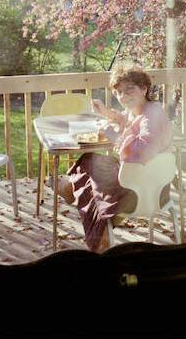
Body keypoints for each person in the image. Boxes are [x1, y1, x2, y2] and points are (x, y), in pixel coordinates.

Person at [56, 63, 174, 253]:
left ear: (144, 88)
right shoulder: (144, 109)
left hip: (146, 190)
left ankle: (74, 195)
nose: (123, 96)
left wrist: (114, 137)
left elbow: (143, 151)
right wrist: (106, 114)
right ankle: (74, 194)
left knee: (90, 169)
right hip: (142, 180)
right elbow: (129, 121)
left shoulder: (153, 114)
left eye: (129, 90)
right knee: (89, 163)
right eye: (119, 92)